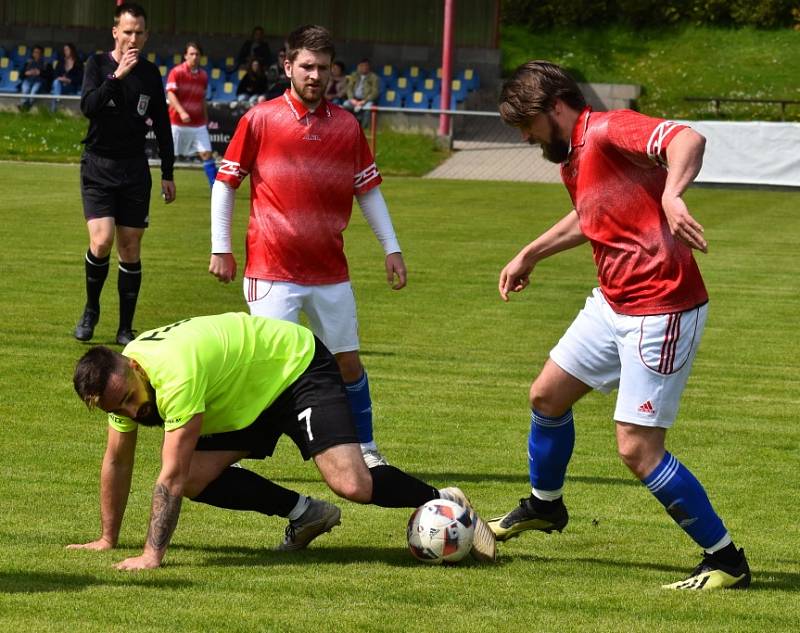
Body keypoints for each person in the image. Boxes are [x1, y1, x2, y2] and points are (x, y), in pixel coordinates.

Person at [488, 60, 750, 591]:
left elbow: (687, 139)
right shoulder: (571, 155)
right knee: (547, 397)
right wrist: (530, 254)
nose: (524, 134)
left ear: (556, 107)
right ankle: (545, 506)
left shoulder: (607, 129)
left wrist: (672, 194)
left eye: (527, 123)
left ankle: (725, 560)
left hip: (662, 307)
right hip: (612, 303)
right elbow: (591, 216)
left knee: (637, 448)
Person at [68, 312, 496, 569]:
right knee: (199, 477)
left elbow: (170, 476)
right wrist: (108, 538)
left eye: (128, 399)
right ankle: (306, 514)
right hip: (245, 395)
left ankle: (447, 502)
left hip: (295, 369)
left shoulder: (175, 374)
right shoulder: (122, 387)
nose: (130, 412)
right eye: (115, 409)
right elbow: (117, 461)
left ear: (133, 367)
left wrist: (151, 555)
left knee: (352, 484)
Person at [209, 25, 405, 470]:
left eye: (323, 68)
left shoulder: (348, 127)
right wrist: (221, 247)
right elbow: (225, 184)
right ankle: (230, 452)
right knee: (263, 366)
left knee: (347, 363)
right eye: (307, 67)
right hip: (271, 269)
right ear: (288, 67)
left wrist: (391, 248)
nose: (315, 75)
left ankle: (367, 450)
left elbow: (368, 191)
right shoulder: (259, 119)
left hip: (330, 272)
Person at [74, 2, 175, 346]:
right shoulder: (97, 65)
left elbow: (161, 124)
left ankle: (125, 328)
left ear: (146, 35)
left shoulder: (150, 74)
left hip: (134, 169)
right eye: (127, 31)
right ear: (115, 32)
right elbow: (88, 106)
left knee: (130, 247)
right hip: (98, 165)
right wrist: (117, 77)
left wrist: (168, 170)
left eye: (139, 32)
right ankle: (90, 311)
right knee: (101, 241)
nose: (133, 38)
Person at [166, 42, 217, 188]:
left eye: (197, 54)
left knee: (207, 154)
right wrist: (182, 112)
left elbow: (202, 99)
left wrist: (205, 118)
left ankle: (215, 187)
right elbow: (170, 95)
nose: (194, 57)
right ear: (185, 56)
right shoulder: (176, 72)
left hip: (198, 124)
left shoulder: (203, 76)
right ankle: (167, 184)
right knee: (170, 156)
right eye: (191, 54)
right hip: (177, 122)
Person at [342, 58, 379, 127]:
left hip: (366, 100)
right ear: (358, 66)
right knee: (346, 104)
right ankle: (347, 125)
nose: (364, 67)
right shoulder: (354, 75)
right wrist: (351, 99)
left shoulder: (374, 77)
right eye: (362, 66)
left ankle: (364, 127)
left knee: (368, 107)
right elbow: (349, 88)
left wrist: (364, 101)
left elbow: (375, 92)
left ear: (369, 67)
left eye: (366, 66)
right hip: (354, 99)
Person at [50, 43, 84, 112]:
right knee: (56, 82)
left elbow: (80, 78)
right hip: (60, 85)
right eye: (64, 50)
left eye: (67, 49)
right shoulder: (61, 62)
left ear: (72, 50)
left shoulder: (78, 63)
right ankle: (58, 100)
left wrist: (69, 80)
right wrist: (61, 78)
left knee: (55, 90)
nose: (65, 51)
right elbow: (55, 75)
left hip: (71, 86)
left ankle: (54, 107)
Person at [19, 45, 51, 111]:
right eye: (35, 52)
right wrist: (26, 73)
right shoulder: (28, 63)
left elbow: (49, 76)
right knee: (25, 89)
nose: (36, 54)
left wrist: (40, 73)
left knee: (34, 90)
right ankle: (24, 104)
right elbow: (21, 75)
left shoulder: (46, 64)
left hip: (39, 81)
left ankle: (28, 105)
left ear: (41, 54)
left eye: (38, 52)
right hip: (28, 80)